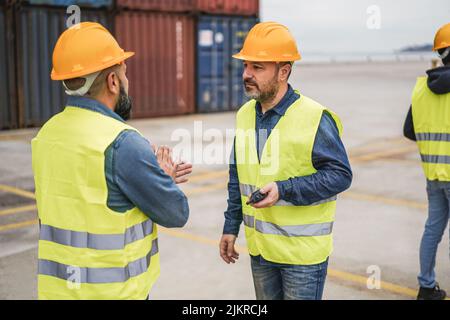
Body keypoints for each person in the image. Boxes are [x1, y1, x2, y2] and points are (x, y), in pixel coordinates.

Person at [31, 22, 192, 299]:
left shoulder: (46, 135)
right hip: (114, 293)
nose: (127, 82)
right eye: (124, 74)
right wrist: (162, 179)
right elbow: (176, 213)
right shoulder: (123, 142)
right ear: (113, 81)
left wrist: (149, 178)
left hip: (57, 292)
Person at [219, 22, 352, 300]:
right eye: (246, 66)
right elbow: (237, 177)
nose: (246, 74)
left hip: (302, 257)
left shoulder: (315, 116)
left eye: (257, 67)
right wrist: (231, 227)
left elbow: (340, 174)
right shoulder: (245, 114)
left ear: (283, 71)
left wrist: (285, 189)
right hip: (261, 251)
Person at [403, 22, 450, 300]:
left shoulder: (422, 88)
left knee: (432, 228)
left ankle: (426, 286)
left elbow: (409, 131)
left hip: (433, 174)